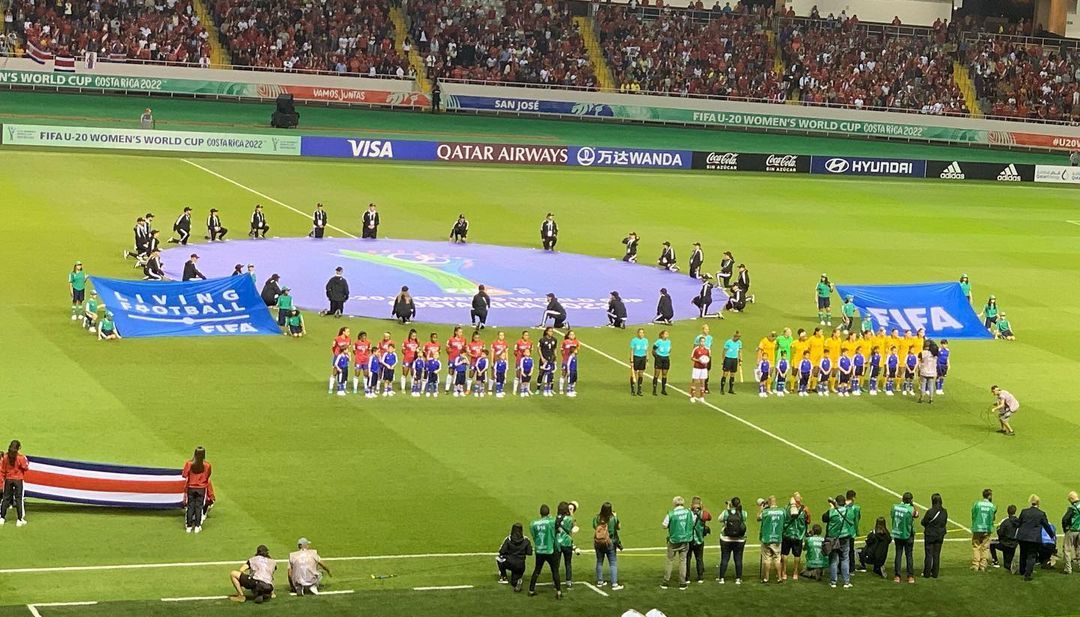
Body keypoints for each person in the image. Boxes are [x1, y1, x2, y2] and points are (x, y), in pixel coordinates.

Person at [1017, 495, 1056, 580]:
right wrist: (1052, 535)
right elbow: (1046, 526)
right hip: (1033, 538)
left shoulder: (1024, 511)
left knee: (1023, 554)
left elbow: (1019, 523)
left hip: (1022, 537)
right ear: (1038, 503)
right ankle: (1027, 575)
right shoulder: (1041, 514)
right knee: (1031, 555)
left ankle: (1022, 571)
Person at [528, 504, 562, 598]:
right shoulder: (551, 521)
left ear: (540, 513)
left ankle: (531, 590)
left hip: (539, 550)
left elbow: (534, 536)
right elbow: (558, 521)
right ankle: (558, 591)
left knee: (537, 570)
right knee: (555, 570)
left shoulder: (533, 523)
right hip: (550, 550)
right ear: (548, 512)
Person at [661, 496, 694, 589]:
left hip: (674, 540)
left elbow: (664, 525)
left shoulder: (671, 513)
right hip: (685, 539)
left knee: (670, 561)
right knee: (683, 561)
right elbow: (693, 521)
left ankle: (665, 581)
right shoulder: (688, 512)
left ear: (674, 503)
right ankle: (682, 583)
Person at [823, 494, 853, 589]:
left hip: (833, 539)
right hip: (845, 537)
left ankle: (833, 582)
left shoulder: (831, 512)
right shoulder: (849, 511)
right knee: (844, 559)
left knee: (833, 560)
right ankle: (846, 582)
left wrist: (832, 507)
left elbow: (824, 518)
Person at [717, 497, 747, 584]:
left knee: (725, 558)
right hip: (739, 540)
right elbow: (743, 520)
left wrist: (727, 508)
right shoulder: (743, 513)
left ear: (731, 504)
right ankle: (738, 579)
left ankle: (722, 578)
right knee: (738, 558)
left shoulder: (726, 512)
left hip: (726, 539)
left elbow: (720, 519)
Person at [181, 447, 211, 534]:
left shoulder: (189, 464)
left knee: (190, 506)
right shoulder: (207, 465)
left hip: (191, 487)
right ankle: (197, 526)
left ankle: (189, 526)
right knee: (199, 507)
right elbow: (208, 476)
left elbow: (184, 475)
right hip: (201, 488)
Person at [593, 502, 622, 590]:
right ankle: (614, 584)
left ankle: (600, 581)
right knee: (613, 563)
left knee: (599, 561)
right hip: (610, 542)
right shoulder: (613, 518)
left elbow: (595, 527)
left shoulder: (597, 518)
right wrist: (616, 516)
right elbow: (618, 528)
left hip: (598, 542)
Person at [891, 492, 919, 583]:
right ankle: (910, 576)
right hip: (908, 534)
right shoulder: (911, 509)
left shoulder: (895, 507)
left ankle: (897, 576)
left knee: (898, 554)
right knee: (909, 555)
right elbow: (916, 515)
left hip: (898, 534)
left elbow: (892, 515)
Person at [0, 440, 29, 526]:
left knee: (5, 499)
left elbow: (3, 469)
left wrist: (3, 479)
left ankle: (2, 518)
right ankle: (19, 519)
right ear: (18, 448)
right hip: (18, 480)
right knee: (19, 499)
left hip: (8, 479)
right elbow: (25, 467)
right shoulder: (20, 457)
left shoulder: (5, 457)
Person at [497, 523, 533, 592]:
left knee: (499, 558)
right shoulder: (526, 540)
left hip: (509, 563)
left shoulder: (509, 539)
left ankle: (503, 577)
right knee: (514, 582)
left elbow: (502, 551)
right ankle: (517, 581)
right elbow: (529, 553)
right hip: (520, 566)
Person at [781, 493, 809, 580]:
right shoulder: (805, 509)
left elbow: (783, 520)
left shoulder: (786, 508)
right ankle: (795, 573)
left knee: (785, 554)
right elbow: (808, 521)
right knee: (797, 555)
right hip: (798, 535)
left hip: (787, 534)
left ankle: (783, 572)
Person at [758, 496, 786, 583]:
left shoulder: (766, 512)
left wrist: (761, 508)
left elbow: (758, 518)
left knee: (767, 559)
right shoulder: (782, 511)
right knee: (777, 558)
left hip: (767, 538)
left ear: (769, 502)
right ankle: (779, 577)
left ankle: (766, 578)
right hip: (777, 538)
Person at [684, 497, 710, 585]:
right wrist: (702, 509)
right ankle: (700, 577)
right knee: (699, 558)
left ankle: (687, 577)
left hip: (689, 539)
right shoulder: (703, 514)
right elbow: (709, 517)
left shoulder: (687, 513)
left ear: (691, 504)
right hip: (699, 539)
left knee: (687, 559)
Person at [921, 493, 947, 578]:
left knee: (929, 554)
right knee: (936, 554)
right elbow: (944, 522)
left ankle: (927, 573)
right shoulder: (944, 511)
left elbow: (923, 522)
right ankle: (935, 573)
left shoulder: (930, 511)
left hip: (930, 535)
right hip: (940, 535)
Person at [971, 488, 997, 572]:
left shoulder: (977, 504)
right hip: (987, 528)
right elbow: (993, 518)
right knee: (985, 547)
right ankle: (983, 565)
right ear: (989, 496)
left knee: (976, 546)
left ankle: (975, 565)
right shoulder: (992, 506)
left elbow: (973, 515)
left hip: (977, 528)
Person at [992, 505, 1020, 572]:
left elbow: (1000, 532)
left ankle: (995, 561)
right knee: (1007, 562)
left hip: (1004, 544)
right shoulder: (1019, 522)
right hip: (1014, 545)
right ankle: (1011, 565)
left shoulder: (1005, 522)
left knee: (991, 544)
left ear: (1007, 512)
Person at [555, 502, 575, 588]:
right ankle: (568, 581)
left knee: (556, 563)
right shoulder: (570, 519)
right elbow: (572, 528)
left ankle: (555, 581)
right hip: (567, 543)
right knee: (568, 563)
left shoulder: (556, 519)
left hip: (558, 543)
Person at [1063, 491, 1080, 574]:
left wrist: (1065, 529)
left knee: (1067, 550)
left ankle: (1068, 568)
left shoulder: (1072, 508)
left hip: (1072, 530)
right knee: (1079, 548)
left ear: (1071, 499)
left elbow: (1065, 519)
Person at [629, 328, 649, 397]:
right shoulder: (634, 340)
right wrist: (632, 361)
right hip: (636, 357)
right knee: (634, 373)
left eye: (642, 333)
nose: (641, 334)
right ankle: (632, 390)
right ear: (638, 333)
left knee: (641, 373)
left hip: (643, 358)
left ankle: (639, 389)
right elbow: (631, 351)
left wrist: (647, 360)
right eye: (640, 332)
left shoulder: (646, 340)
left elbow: (646, 351)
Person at [651, 330, 671, 396]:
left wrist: (667, 354)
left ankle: (663, 390)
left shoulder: (669, 341)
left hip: (666, 358)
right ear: (662, 335)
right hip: (659, 358)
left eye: (667, 334)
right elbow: (653, 350)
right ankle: (654, 390)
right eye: (665, 334)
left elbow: (669, 349)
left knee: (664, 374)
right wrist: (656, 357)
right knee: (656, 374)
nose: (667, 335)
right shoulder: (658, 342)